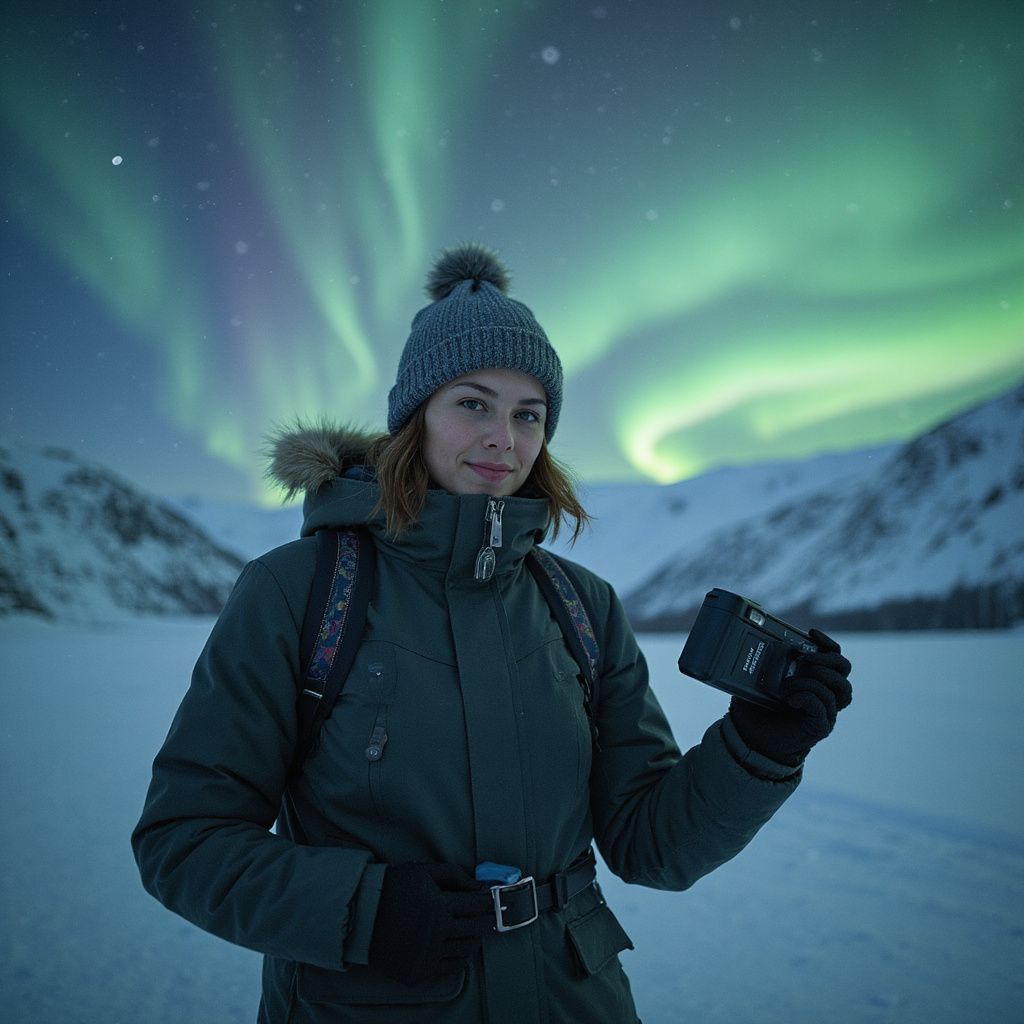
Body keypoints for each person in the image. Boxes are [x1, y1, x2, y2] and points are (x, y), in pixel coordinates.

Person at [132, 243, 853, 1023]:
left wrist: (760, 747)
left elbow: (652, 845)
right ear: (416, 417)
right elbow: (185, 840)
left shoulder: (583, 607)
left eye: (528, 414)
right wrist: (359, 909)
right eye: (472, 403)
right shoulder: (299, 591)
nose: (503, 439)